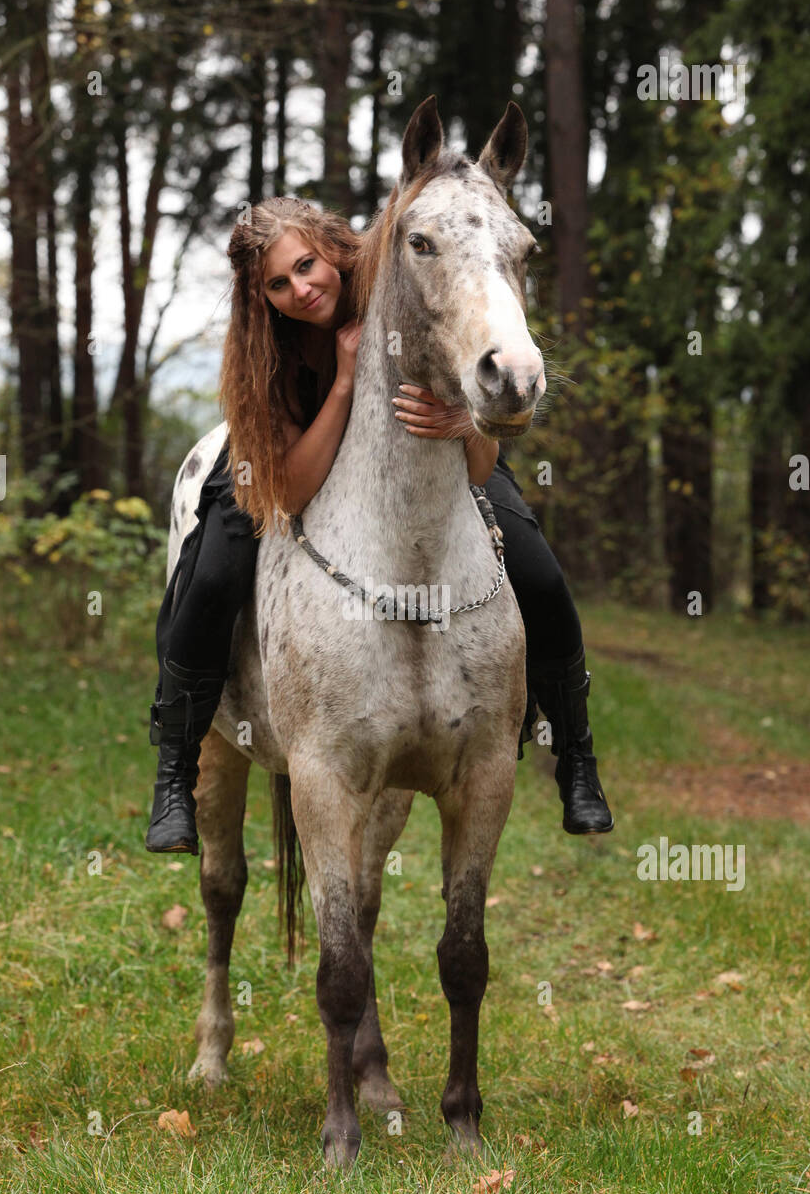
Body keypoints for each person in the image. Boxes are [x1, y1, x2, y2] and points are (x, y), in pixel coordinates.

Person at [145, 197, 613, 855]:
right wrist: (343, 379)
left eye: (306, 265)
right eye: (278, 284)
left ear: (333, 249)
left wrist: (466, 421)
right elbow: (296, 489)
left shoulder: (393, 282)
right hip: (283, 458)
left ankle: (575, 756)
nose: (300, 288)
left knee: (537, 567)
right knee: (213, 574)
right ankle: (175, 770)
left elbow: (476, 448)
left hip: (430, 450)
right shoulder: (265, 344)